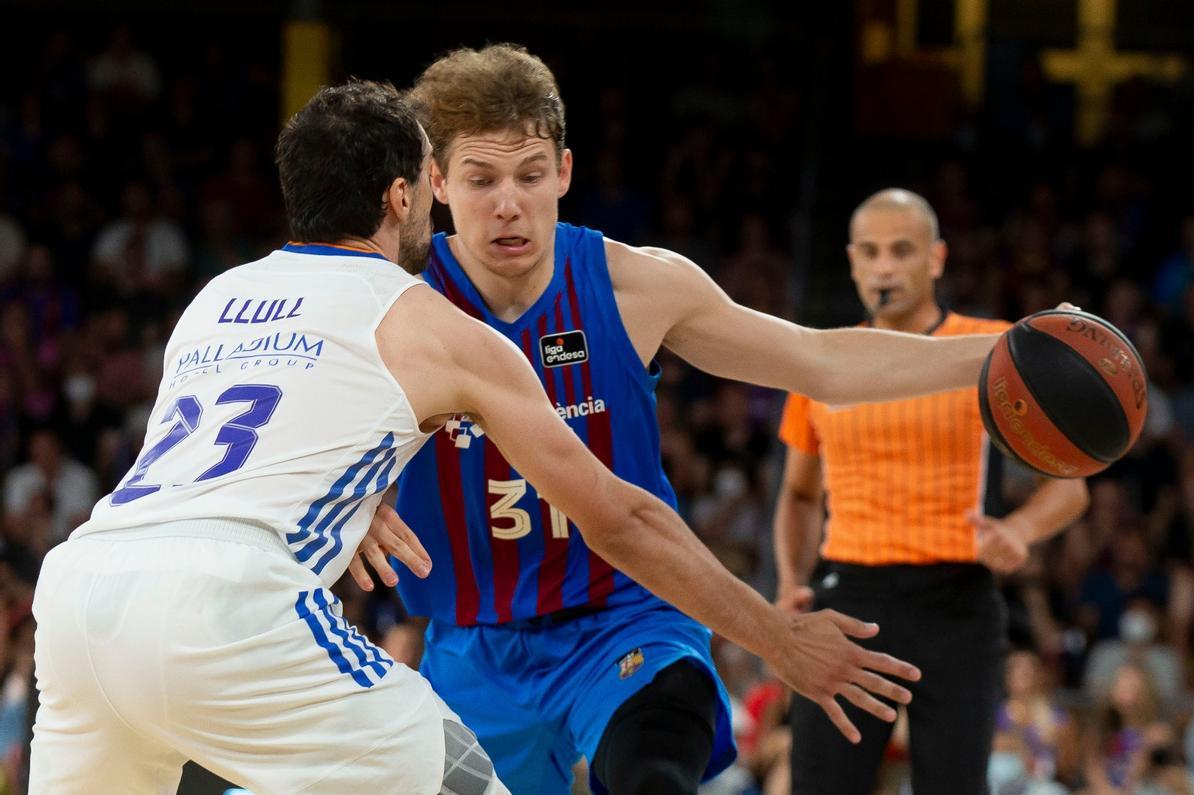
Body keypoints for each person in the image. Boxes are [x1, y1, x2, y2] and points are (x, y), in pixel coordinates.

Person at [28, 80, 917, 795]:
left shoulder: (217, 295)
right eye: (455, 179)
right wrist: (778, 639)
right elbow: (621, 517)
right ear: (408, 193)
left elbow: (276, 431)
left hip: (78, 593)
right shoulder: (421, 313)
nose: (494, 207)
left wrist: (357, 488)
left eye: (526, 175)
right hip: (248, 603)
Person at [348, 46, 1007, 795]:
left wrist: (998, 352)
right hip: (476, 646)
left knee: (657, 770)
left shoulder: (636, 286)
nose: (508, 204)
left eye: (529, 176)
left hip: (628, 620)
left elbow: (820, 360)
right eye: (481, 180)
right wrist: (348, 490)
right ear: (436, 183)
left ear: (564, 172)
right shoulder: (391, 305)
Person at [773, 188, 1090, 794]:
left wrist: (1019, 530)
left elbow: (1071, 487)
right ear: (851, 261)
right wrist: (790, 581)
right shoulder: (823, 361)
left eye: (901, 251)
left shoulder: (991, 349)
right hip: (848, 597)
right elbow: (799, 495)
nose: (884, 267)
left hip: (957, 602)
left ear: (936, 258)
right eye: (870, 253)